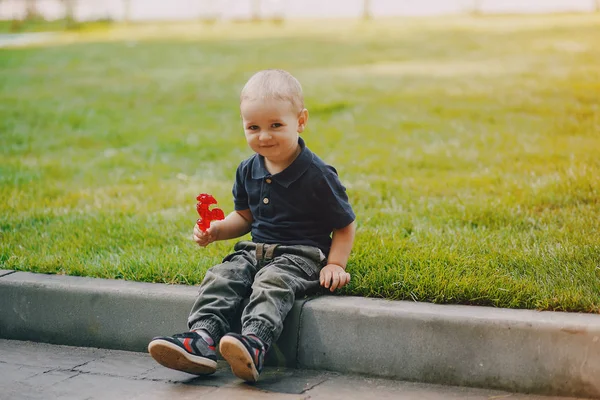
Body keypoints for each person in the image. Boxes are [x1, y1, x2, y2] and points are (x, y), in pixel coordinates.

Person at [148, 69, 356, 383]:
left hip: (299, 256)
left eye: (276, 125)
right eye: (253, 127)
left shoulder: (317, 174)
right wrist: (217, 230)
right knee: (223, 274)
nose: (264, 136)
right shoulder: (248, 169)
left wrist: (336, 264)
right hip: (254, 250)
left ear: (300, 121)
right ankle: (201, 339)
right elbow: (245, 217)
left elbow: (345, 224)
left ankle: (255, 343)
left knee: (272, 282)